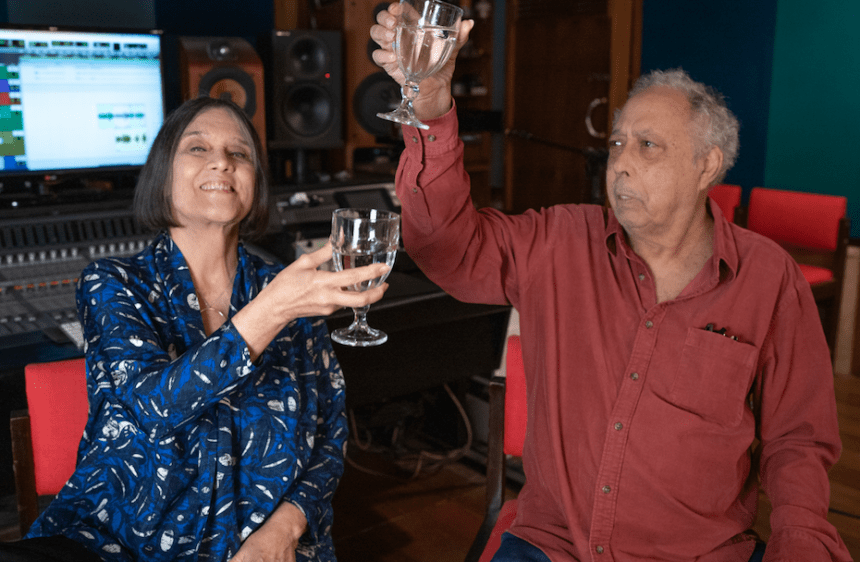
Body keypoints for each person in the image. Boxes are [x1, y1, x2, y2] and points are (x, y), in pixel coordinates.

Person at [371, 5, 852, 562]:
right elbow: (448, 250)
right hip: (552, 544)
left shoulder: (768, 278)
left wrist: (800, 545)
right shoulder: (559, 241)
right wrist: (430, 110)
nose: (620, 162)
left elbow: (799, 439)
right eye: (618, 143)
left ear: (707, 166)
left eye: (648, 145)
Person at [0, 97, 390, 562]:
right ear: (162, 173)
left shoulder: (290, 291)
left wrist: (285, 527)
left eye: (239, 153)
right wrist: (269, 312)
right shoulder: (113, 283)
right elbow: (153, 408)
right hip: (121, 543)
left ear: (256, 184)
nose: (222, 161)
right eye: (198, 148)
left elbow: (330, 433)